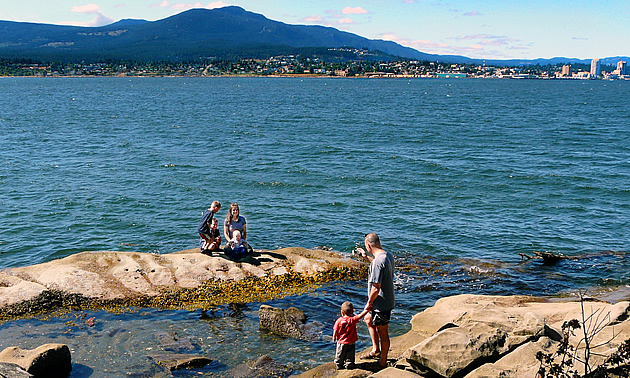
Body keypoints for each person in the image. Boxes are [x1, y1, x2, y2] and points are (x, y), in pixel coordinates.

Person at [355, 233, 395, 369]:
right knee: (368, 320)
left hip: (381, 303)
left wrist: (369, 303)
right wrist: (366, 257)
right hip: (383, 300)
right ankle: (376, 349)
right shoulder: (386, 255)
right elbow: (379, 267)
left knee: (383, 332)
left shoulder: (378, 262)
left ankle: (383, 361)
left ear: (368, 245)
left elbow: (376, 288)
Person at [332, 301, 371, 370]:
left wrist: (334, 337)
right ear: (352, 312)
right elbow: (360, 316)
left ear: (342, 312)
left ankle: (339, 364)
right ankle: (349, 364)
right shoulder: (352, 320)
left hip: (341, 342)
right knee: (350, 354)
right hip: (351, 342)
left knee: (340, 354)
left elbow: (335, 330)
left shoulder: (338, 321)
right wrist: (367, 310)